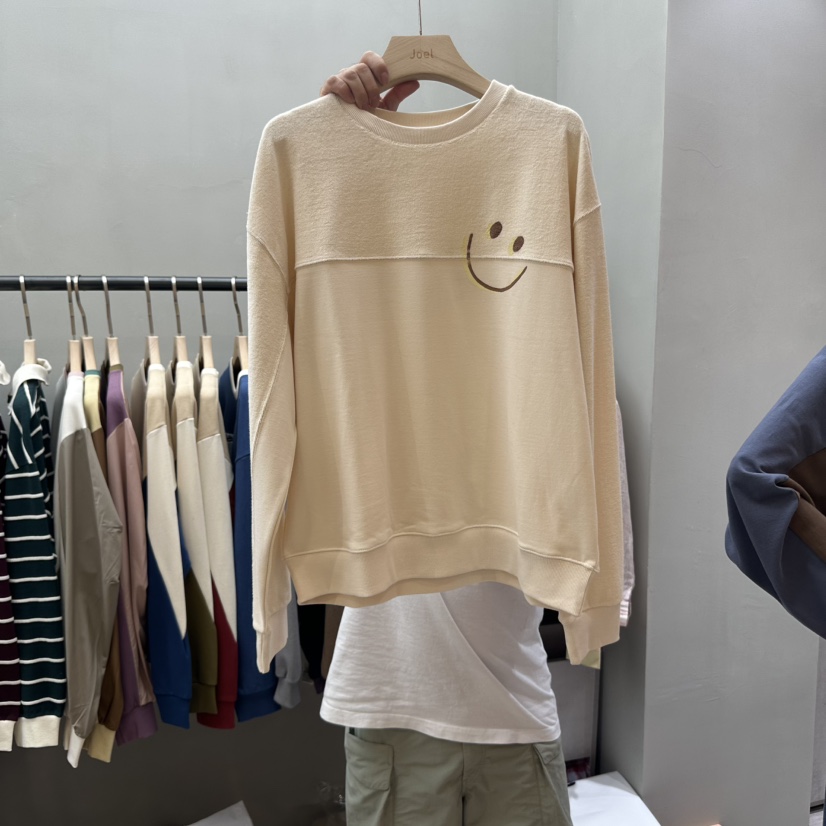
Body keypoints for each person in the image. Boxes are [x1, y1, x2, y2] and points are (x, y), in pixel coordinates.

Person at [316, 52, 574, 826]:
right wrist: (350, 150)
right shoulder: (373, 337)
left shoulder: (544, 345)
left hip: (514, 705)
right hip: (391, 702)